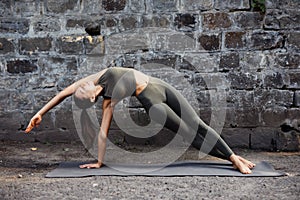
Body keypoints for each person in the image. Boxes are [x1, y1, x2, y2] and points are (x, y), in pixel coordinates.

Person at [25, 67, 255, 174]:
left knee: (198, 123)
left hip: (161, 86)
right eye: (86, 93)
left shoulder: (92, 83)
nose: (81, 87)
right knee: (188, 133)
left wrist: (40, 113)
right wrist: (99, 161)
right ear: (93, 97)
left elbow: (60, 95)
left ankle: (232, 155)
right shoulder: (105, 98)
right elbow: (102, 132)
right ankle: (233, 159)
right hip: (151, 101)